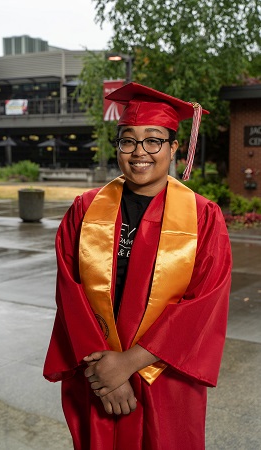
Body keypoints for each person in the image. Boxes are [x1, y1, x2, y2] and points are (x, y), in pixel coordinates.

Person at [43, 82, 232, 450]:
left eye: (153, 140)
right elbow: (70, 294)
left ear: (174, 147)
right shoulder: (84, 209)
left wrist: (129, 363)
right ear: (118, 147)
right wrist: (106, 374)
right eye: (128, 140)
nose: (139, 152)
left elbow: (204, 305)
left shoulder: (203, 217)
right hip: (96, 372)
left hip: (164, 375)